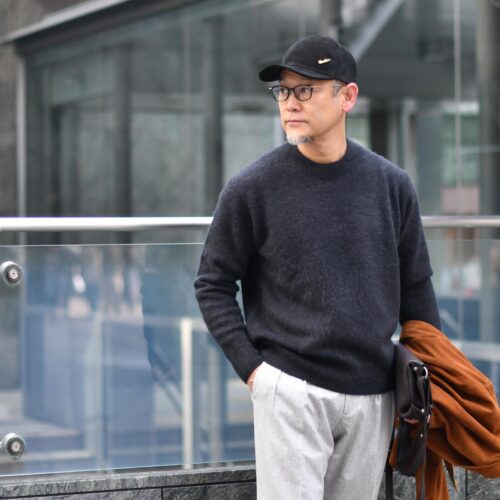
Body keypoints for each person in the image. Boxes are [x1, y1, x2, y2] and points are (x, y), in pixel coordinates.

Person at [194, 35, 441, 500]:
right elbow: (212, 283)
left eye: (306, 89)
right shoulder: (252, 188)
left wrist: (429, 379)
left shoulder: (391, 185)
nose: (290, 102)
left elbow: (417, 290)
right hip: (290, 391)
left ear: (347, 97)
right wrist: (256, 373)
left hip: (374, 396)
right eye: (283, 91)